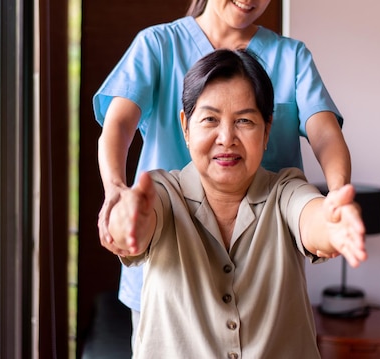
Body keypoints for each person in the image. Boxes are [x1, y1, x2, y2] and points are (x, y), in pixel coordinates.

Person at [92, 0, 352, 345]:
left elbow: (325, 132)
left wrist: (337, 198)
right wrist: (115, 192)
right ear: (187, 126)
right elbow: (119, 124)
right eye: (210, 119)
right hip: (170, 259)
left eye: (245, 119)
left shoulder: (291, 57)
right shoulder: (158, 45)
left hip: (263, 271)